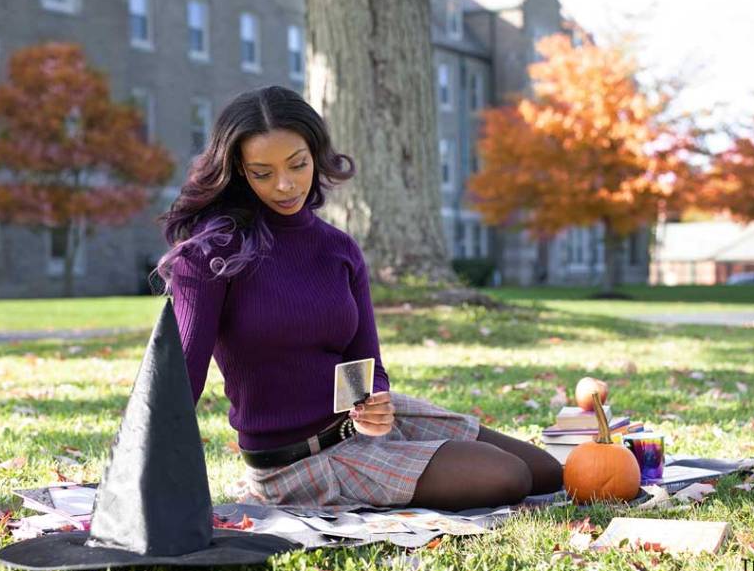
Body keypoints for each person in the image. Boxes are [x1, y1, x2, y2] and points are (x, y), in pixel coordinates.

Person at [155, 85, 561, 512]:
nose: (285, 184)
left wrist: (373, 402)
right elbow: (180, 381)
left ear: (316, 154)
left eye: (298, 164)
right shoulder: (212, 255)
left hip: (360, 429)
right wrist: (149, 472)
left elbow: (362, 360)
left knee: (546, 471)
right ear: (238, 170)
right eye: (263, 172)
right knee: (508, 475)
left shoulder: (338, 249)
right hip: (297, 463)